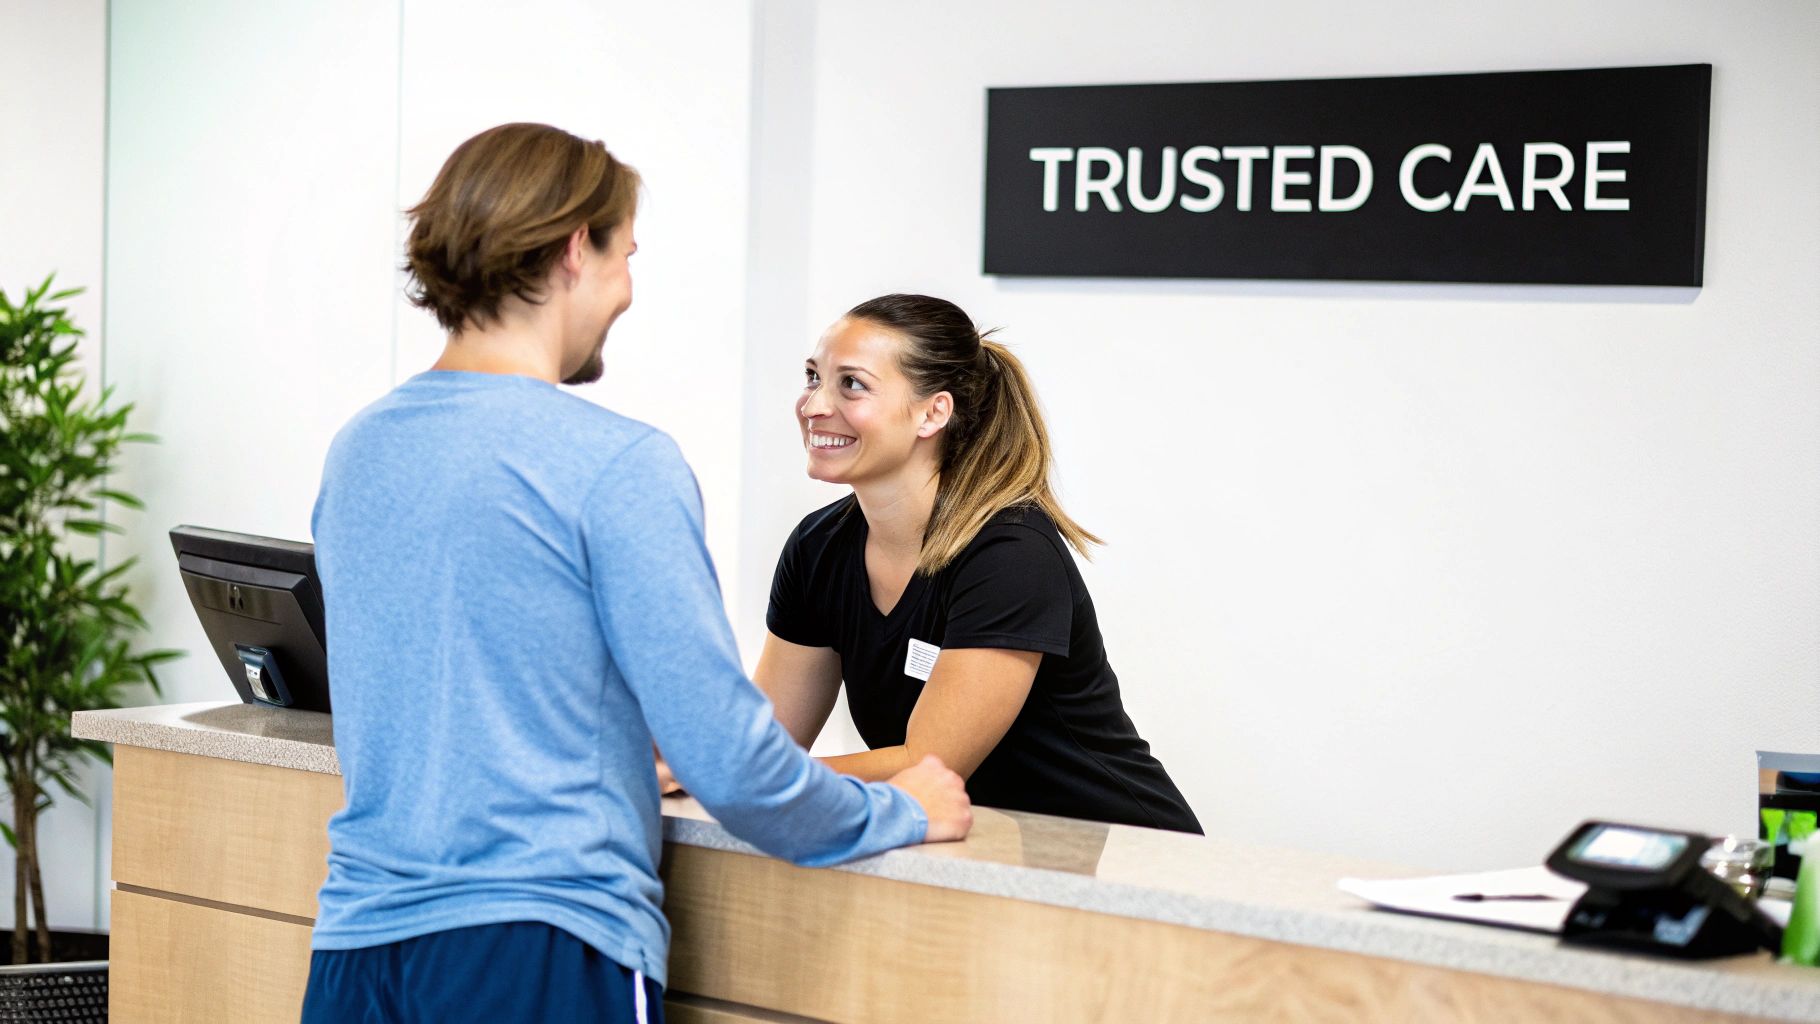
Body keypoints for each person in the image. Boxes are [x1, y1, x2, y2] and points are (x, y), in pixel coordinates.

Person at [300, 125, 971, 1024]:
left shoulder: (363, 449)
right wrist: (900, 812)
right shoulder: (617, 465)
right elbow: (736, 768)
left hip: (355, 950)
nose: (625, 291)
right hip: (536, 952)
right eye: (625, 256)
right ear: (577, 250)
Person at [754, 294, 1202, 834]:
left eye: (851, 383)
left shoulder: (1010, 555)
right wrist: (691, 764)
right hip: (980, 853)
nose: (814, 405)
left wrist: (749, 778)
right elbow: (770, 742)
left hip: (1124, 859)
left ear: (932, 412)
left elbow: (929, 766)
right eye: (812, 377)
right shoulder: (817, 547)